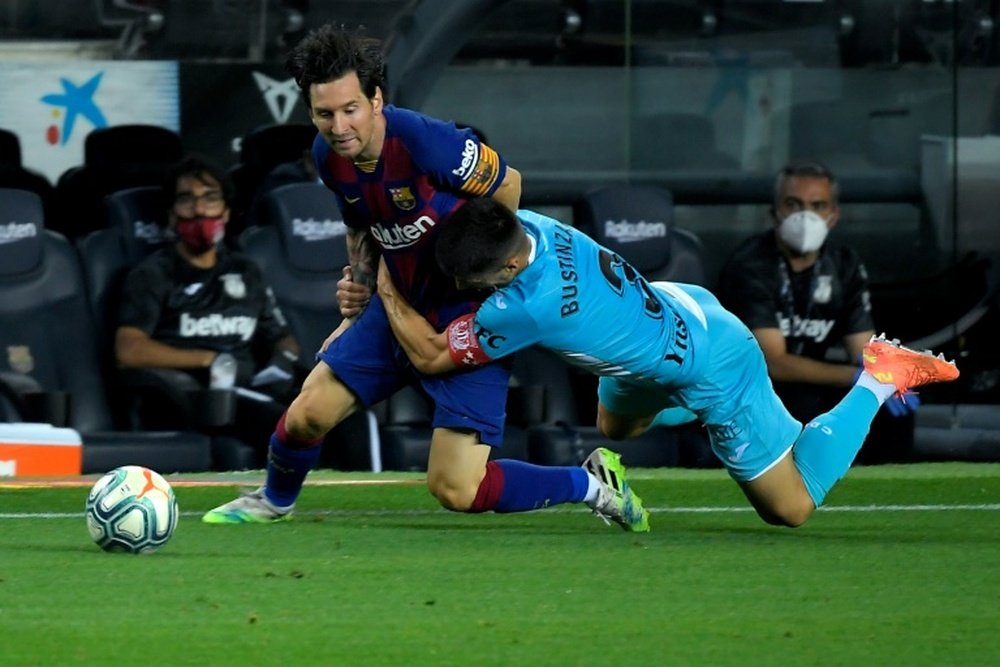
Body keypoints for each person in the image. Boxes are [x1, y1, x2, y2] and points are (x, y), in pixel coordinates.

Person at [202, 24, 649, 531]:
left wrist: (487, 276)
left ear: (375, 99)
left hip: (466, 316)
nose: (339, 125)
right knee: (307, 414)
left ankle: (591, 484)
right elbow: (360, 220)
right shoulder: (329, 158)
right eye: (325, 114)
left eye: (350, 109)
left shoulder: (425, 143)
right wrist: (362, 285)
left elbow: (509, 186)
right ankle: (273, 501)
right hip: (396, 306)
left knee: (457, 489)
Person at [374, 198, 959, 527]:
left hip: (712, 362)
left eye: (471, 281)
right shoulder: (529, 225)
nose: (461, 287)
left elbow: (429, 354)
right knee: (615, 428)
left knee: (791, 507)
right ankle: (684, 413)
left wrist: (382, 280)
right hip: (665, 316)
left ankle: (879, 378)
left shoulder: (525, 308)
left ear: (504, 272)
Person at [717, 159, 917, 463]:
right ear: (774, 214)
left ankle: (885, 492)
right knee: (804, 401)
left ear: (833, 216)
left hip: (817, 387)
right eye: (793, 204)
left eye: (818, 205)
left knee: (892, 405)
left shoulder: (845, 264)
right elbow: (773, 362)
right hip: (752, 391)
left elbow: (864, 349)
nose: (805, 215)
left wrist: (889, 377)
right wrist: (857, 377)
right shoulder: (750, 265)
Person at [115, 155, 304, 466]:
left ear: (226, 212)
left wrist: (283, 361)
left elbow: (282, 337)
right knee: (287, 425)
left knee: (336, 414)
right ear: (172, 215)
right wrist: (208, 360)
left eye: (210, 199)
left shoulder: (246, 271)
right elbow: (128, 350)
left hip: (251, 389)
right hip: (192, 399)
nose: (200, 210)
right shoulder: (152, 275)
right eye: (187, 200)